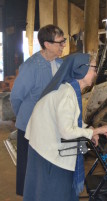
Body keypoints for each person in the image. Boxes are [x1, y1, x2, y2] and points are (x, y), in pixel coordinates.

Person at [22, 53, 107, 201]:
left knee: (48, 192)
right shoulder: (67, 94)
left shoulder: (68, 89)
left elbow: (71, 120)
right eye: (94, 68)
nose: (96, 72)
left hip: (44, 146)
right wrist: (95, 131)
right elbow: (67, 131)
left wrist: (89, 130)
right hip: (48, 152)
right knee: (55, 193)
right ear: (81, 70)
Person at [10, 24, 66, 196]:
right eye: (60, 42)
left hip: (51, 125)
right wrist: (25, 118)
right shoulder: (31, 66)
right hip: (30, 126)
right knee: (28, 170)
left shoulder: (61, 64)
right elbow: (16, 97)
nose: (63, 45)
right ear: (47, 44)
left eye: (64, 41)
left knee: (46, 168)